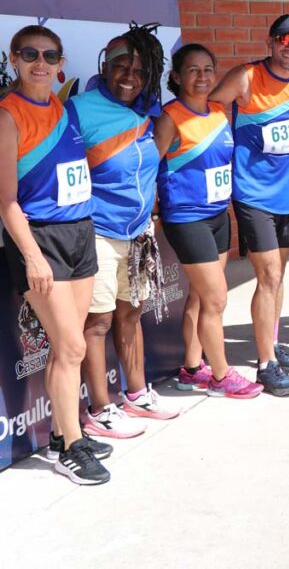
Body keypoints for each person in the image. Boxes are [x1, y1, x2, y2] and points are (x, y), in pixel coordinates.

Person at [0, 26, 111, 484]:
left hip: (79, 234)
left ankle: (63, 436)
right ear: (14, 59)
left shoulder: (64, 109)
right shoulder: (8, 116)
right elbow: (6, 200)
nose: (40, 62)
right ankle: (73, 447)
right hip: (41, 240)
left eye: (49, 55)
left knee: (69, 347)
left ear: (61, 62)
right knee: (70, 346)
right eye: (30, 54)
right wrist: (33, 255)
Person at [71, 24, 180, 438]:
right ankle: (99, 408)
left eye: (140, 68)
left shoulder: (150, 111)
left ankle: (136, 394)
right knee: (97, 323)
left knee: (131, 314)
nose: (130, 75)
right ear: (106, 65)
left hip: (137, 234)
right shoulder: (80, 109)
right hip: (96, 232)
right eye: (121, 65)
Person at [210, 14, 289, 396]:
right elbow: (207, 108)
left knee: (279, 274)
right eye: (283, 39)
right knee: (268, 274)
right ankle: (266, 366)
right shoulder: (246, 77)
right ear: (270, 42)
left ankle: (270, 342)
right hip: (252, 192)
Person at [155, 44, 263, 398]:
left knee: (201, 299)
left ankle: (191, 368)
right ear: (176, 76)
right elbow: (148, 167)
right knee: (216, 299)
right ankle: (220, 375)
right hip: (187, 218)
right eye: (192, 70)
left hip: (218, 215)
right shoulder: (171, 117)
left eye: (207, 70)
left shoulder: (219, 113)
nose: (201, 77)